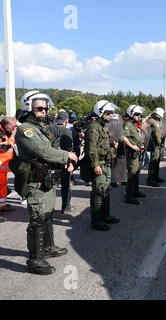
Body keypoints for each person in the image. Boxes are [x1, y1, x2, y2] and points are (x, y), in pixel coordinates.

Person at [15, 91, 78, 275]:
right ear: (29, 108)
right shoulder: (26, 129)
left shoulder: (41, 128)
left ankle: (48, 248)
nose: (44, 111)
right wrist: (67, 156)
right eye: (40, 108)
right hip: (35, 182)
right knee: (38, 220)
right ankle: (35, 259)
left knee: (48, 215)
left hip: (47, 180)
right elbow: (43, 151)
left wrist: (64, 161)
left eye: (45, 108)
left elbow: (52, 148)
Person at [84, 100, 120, 231]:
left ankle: (105, 215)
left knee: (106, 191)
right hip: (99, 164)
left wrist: (112, 146)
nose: (110, 115)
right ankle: (97, 220)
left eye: (111, 113)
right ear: (100, 112)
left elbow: (102, 145)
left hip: (106, 163)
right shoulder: (94, 127)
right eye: (108, 113)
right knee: (98, 192)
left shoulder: (103, 126)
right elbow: (91, 148)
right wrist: (95, 165)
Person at [47, 111, 74, 214]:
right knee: (66, 185)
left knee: (50, 186)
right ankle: (65, 206)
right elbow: (69, 149)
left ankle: (49, 209)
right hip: (63, 161)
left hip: (50, 161)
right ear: (66, 121)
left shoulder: (48, 129)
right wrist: (70, 163)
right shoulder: (67, 131)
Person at [123, 105, 146, 204]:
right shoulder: (128, 124)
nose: (139, 117)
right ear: (132, 114)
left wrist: (141, 146)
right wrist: (132, 146)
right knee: (132, 174)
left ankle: (135, 191)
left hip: (136, 153)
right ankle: (129, 195)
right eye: (137, 115)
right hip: (131, 153)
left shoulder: (133, 125)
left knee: (136, 173)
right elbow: (123, 137)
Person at [0, 117, 17, 222]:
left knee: (2, 188)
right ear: (6, 126)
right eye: (13, 126)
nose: (14, 128)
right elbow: (4, 147)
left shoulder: (4, 132)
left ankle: (2, 206)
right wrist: (13, 136)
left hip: (2, 169)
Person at [146, 108, 165, 187]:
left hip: (158, 145)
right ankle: (150, 180)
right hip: (155, 144)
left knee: (157, 162)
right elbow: (156, 134)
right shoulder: (153, 122)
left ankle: (156, 177)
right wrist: (160, 142)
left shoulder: (155, 121)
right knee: (153, 162)